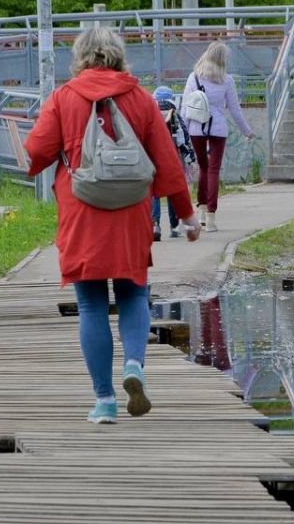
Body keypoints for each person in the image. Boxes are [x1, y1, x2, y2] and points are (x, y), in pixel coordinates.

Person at [24, 27, 201, 425]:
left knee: (91, 304)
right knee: (135, 295)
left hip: (82, 213)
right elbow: (168, 163)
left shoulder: (64, 98)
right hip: (131, 213)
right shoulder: (140, 99)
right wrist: (187, 214)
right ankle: (134, 365)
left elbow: (35, 155)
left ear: (81, 57)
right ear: (118, 56)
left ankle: (104, 401)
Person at [182, 41, 256, 232]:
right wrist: (247, 131)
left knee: (202, 169)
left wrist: (184, 131)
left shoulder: (194, 77)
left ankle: (201, 211)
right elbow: (235, 110)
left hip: (197, 129)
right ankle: (211, 219)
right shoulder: (227, 80)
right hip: (218, 130)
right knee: (213, 170)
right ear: (223, 60)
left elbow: (185, 107)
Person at [149, 85, 195, 241]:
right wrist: (190, 155)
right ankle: (174, 226)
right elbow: (185, 135)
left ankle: (155, 224)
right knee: (172, 191)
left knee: (154, 192)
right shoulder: (174, 114)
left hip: (152, 157)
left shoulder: (150, 112)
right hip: (171, 157)